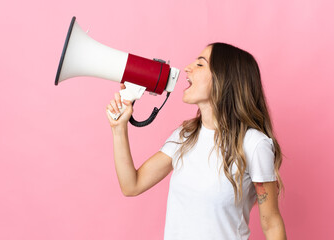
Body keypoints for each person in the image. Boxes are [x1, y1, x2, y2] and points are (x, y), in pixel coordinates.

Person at [106, 42, 287, 240]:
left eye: (200, 64)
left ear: (224, 78)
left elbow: (272, 225)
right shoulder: (185, 135)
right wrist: (118, 128)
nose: (187, 68)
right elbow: (132, 185)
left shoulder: (254, 144)